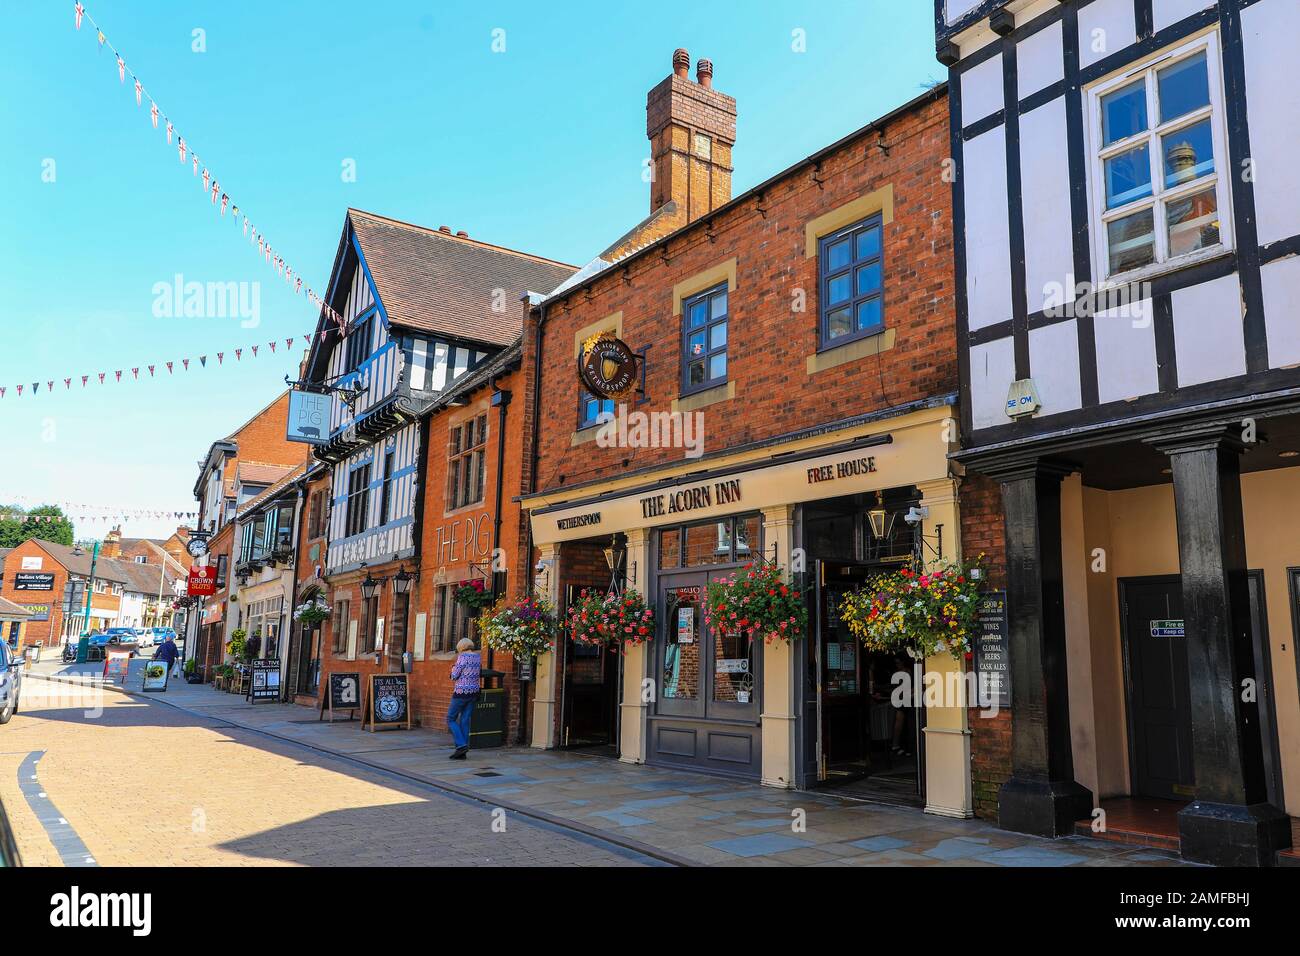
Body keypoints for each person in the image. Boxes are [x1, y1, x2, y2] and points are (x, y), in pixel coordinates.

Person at [446, 638, 480, 759]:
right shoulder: (477, 656)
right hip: (474, 692)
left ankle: (461, 745)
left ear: (461, 647)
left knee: (450, 718)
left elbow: (454, 676)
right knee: (465, 719)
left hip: (461, 692)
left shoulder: (462, 657)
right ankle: (462, 752)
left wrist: (453, 668)